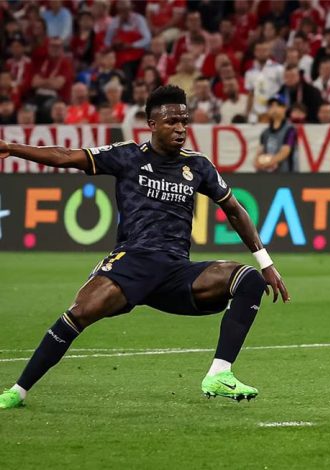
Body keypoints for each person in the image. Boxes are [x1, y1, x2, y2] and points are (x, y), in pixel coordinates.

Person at [0, 85, 290, 410]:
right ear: (152, 124)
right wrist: (12, 148)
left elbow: (234, 210)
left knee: (248, 280)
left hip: (176, 271)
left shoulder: (198, 165)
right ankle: (18, 391)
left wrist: (266, 262)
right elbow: (67, 156)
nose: (180, 129)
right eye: (171, 122)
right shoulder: (127, 156)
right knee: (77, 315)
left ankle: (219, 374)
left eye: (184, 121)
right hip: (131, 264)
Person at [254, 94, 297, 173]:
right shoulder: (265, 133)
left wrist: (269, 162)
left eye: (278, 105)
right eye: (271, 106)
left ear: (285, 108)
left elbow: (285, 151)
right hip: (268, 174)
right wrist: (257, 161)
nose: (274, 108)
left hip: (286, 174)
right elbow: (260, 151)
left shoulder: (290, 130)